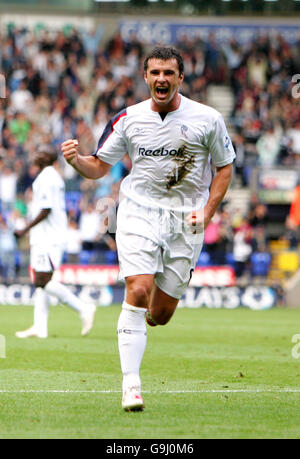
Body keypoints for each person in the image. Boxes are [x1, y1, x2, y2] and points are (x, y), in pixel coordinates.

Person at [61, 46, 235, 411]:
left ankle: (151, 297)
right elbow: (98, 166)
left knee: (161, 315)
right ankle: (131, 387)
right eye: (155, 72)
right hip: (139, 212)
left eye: (169, 73)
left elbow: (225, 167)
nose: (161, 79)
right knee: (137, 291)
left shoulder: (207, 119)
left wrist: (207, 211)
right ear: (145, 77)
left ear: (180, 78)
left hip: (186, 220)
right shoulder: (127, 119)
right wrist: (77, 160)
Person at [14, 145, 96, 339]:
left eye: (40, 153)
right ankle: (40, 326)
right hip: (46, 236)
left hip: (48, 237)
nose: (36, 155)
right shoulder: (48, 176)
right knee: (40, 282)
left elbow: (46, 209)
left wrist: (24, 229)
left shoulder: (47, 178)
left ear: (49, 159)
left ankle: (83, 308)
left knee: (44, 280)